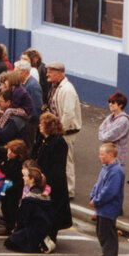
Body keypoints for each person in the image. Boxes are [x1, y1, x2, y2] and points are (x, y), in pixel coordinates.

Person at [87, 143, 125, 256]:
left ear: (110, 155)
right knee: (101, 232)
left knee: (108, 234)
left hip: (108, 208)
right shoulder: (106, 168)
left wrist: (96, 201)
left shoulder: (116, 171)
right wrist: (93, 196)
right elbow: (98, 185)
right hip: (102, 208)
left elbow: (110, 191)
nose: (100, 156)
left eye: (102, 154)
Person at [46, 62, 82, 198]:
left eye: (50, 72)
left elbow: (68, 114)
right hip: (59, 130)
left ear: (59, 73)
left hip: (66, 131)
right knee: (59, 160)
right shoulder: (56, 87)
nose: (47, 74)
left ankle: (69, 190)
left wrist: (60, 130)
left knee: (66, 160)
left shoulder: (67, 90)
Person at [34, 112, 70, 243]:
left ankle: (51, 237)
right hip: (42, 179)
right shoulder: (44, 139)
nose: (39, 126)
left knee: (53, 210)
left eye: (42, 124)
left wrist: (46, 181)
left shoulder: (59, 142)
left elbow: (57, 167)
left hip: (53, 183)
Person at [4, 162, 56, 253]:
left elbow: (23, 219)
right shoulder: (45, 196)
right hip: (43, 228)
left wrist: (16, 230)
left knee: (9, 243)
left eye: (26, 176)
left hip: (32, 230)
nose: (23, 177)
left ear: (32, 180)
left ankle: (38, 245)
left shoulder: (29, 199)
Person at [0, 139, 29, 236]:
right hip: (7, 188)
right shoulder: (9, 161)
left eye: (12, 152)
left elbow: (19, 180)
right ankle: (8, 227)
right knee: (4, 207)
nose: (9, 153)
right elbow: (4, 170)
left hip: (15, 189)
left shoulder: (21, 164)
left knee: (12, 208)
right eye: (9, 150)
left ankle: (12, 227)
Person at [97, 91, 129, 169]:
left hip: (118, 159)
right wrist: (104, 135)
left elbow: (109, 136)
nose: (110, 104)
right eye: (109, 102)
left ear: (121, 105)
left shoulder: (123, 121)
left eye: (113, 103)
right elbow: (101, 129)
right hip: (108, 157)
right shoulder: (109, 117)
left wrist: (104, 136)